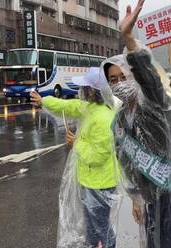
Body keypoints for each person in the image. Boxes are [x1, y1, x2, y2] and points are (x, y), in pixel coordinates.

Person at [100, 1, 171, 247]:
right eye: (113, 80)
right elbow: (126, 162)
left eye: (124, 76)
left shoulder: (154, 103)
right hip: (151, 198)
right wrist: (136, 198)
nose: (119, 84)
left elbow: (149, 79)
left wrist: (129, 40)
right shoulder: (118, 121)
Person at [30, 68, 120, 248]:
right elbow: (67, 106)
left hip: (101, 184)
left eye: (84, 87)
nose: (81, 91)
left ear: (92, 90)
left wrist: (76, 143)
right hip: (90, 180)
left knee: (102, 226)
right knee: (92, 225)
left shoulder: (103, 117)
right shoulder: (90, 107)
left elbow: (99, 156)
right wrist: (43, 101)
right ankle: (93, 245)